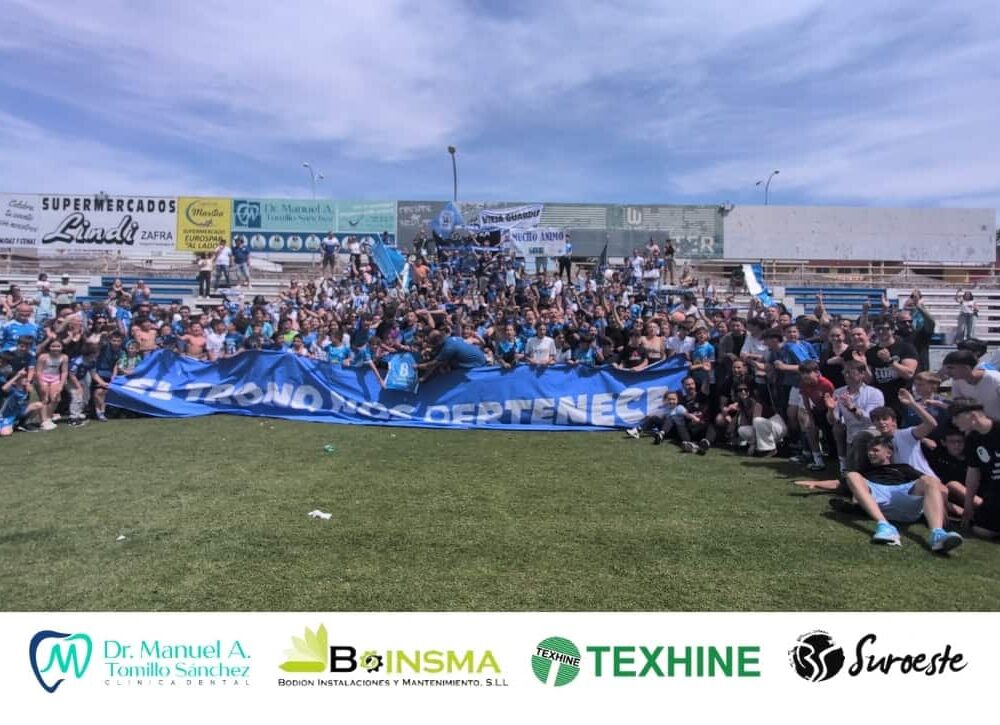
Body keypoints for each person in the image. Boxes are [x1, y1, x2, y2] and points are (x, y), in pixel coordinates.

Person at [842, 435, 962, 552]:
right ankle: (885, 527)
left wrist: (948, 509)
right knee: (852, 475)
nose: (870, 453)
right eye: (869, 451)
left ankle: (937, 534)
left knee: (930, 480)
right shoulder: (865, 473)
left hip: (903, 495)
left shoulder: (904, 468)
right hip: (878, 498)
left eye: (875, 450)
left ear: (888, 453)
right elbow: (838, 483)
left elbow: (937, 488)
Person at [949, 402, 1000, 537]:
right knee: (980, 530)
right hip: (994, 492)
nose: (953, 421)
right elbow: (973, 472)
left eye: (956, 417)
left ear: (972, 416)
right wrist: (968, 505)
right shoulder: (973, 439)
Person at [865, 320, 917, 418]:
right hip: (880, 400)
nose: (881, 332)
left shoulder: (905, 348)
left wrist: (889, 361)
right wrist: (863, 364)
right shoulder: (870, 353)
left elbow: (909, 374)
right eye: (878, 329)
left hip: (901, 400)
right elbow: (869, 379)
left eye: (885, 329)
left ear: (893, 330)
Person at [941, 349, 1000, 420]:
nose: (947, 372)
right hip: (975, 425)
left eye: (951, 368)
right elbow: (958, 406)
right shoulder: (957, 381)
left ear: (967, 367)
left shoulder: (995, 379)